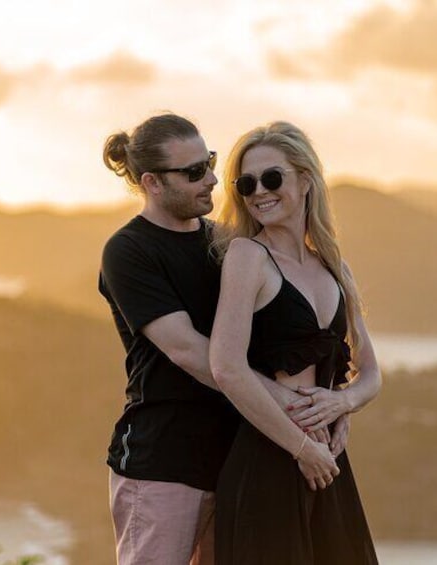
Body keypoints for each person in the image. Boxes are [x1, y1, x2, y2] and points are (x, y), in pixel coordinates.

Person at [98, 114, 327, 565]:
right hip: (164, 463)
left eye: (210, 163)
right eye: (193, 172)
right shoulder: (129, 251)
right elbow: (191, 353)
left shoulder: (226, 245)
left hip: (237, 461)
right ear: (152, 183)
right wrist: (291, 406)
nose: (210, 180)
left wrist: (335, 403)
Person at [210, 121, 382, 564]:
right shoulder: (248, 257)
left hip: (327, 466)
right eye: (246, 183)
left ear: (305, 179)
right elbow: (226, 367)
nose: (258, 193)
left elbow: (371, 374)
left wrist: (342, 404)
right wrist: (301, 448)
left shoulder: (335, 268)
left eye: (272, 178)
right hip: (270, 460)